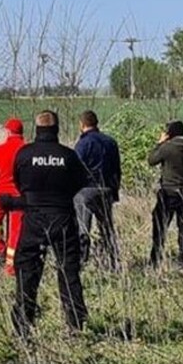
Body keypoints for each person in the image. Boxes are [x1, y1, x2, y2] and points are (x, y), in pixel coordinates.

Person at [0, 111, 90, 337]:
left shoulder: (24, 154)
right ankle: (76, 326)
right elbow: (81, 181)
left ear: (36, 129)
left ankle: (23, 327)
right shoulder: (68, 156)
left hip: (33, 220)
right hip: (63, 218)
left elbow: (18, 182)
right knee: (68, 271)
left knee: (26, 273)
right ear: (56, 129)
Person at [147, 120, 183, 268]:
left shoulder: (167, 148)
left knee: (160, 225)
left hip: (169, 192)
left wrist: (159, 143)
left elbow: (151, 160)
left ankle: (155, 258)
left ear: (170, 133)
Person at [73, 110, 122, 270]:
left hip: (86, 191)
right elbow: (117, 170)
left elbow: (75, 168)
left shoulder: (83, 144)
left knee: (83, 228)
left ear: (82, 124)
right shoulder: (110, 142)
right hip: (106, 190)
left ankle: (81, 262)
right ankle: (113, 261)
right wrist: (114, 191)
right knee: (107, 228)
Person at [0, 117, 25, 277]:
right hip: (20, 197)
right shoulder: (27, 150)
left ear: (8, 131)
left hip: (0, 195)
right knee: (16, 232)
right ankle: (11, 267)